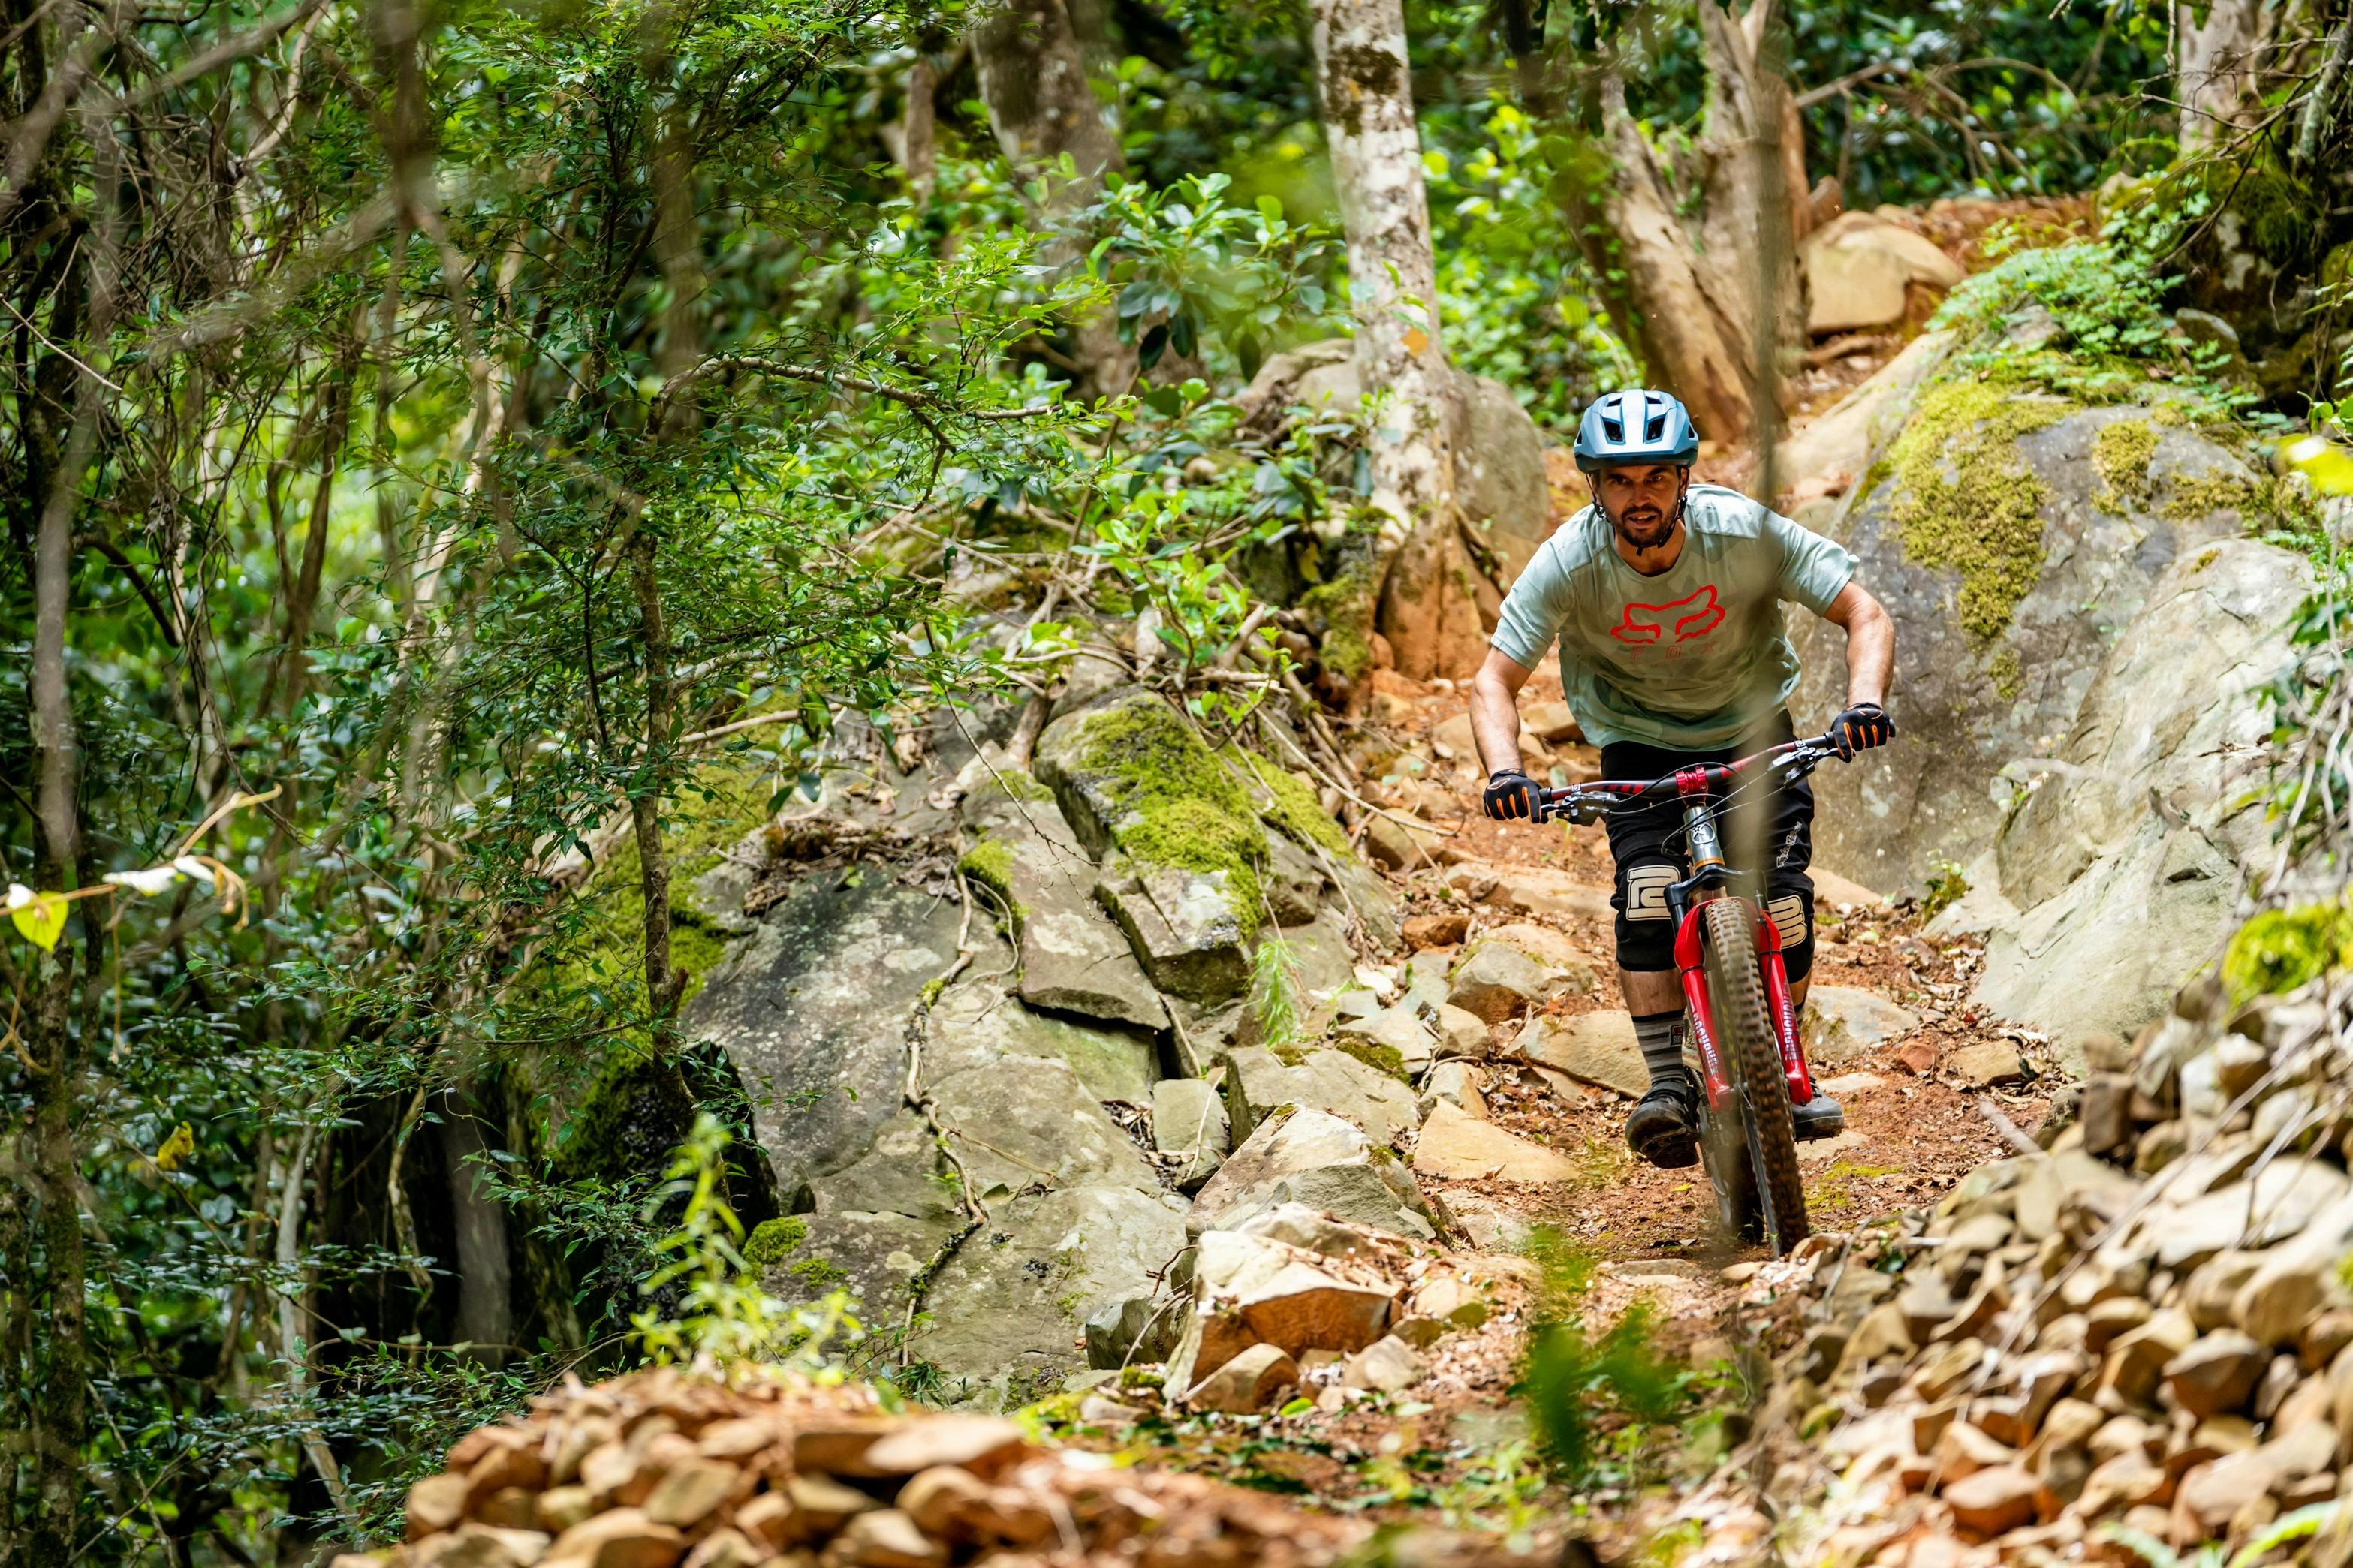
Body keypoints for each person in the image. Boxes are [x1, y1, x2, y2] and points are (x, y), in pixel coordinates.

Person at [1466, 388, 1897, 1170]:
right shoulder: (1568, 560)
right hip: (1636, 744)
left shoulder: (1741, 534)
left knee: (1784, 900)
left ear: (1683, 479)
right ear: (1594, 487)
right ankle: (1667, 1086)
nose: (1640, 496)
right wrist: (1506, 771)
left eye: (1656, 477)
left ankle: (1787, 1071)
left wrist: (1861, 702)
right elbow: (1492, 680)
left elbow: (1863, 612)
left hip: (1751, 730)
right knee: (1645, 897)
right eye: (1621, 481)